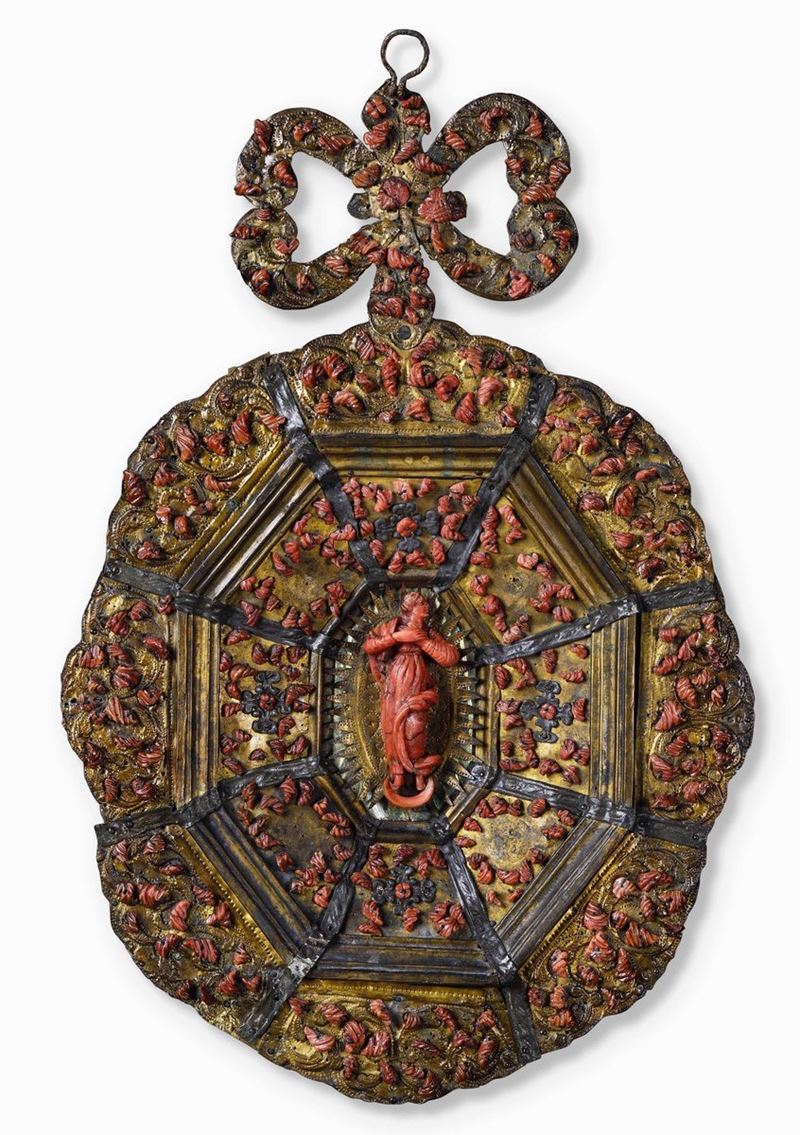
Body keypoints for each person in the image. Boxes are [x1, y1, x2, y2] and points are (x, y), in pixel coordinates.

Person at [363, 592, 460, 808]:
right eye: (422, 607)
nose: (426, 611)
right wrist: (397, 637)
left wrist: (422, 641)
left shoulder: (427, 633)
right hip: (395, 685)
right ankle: (397, 771)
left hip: (418, 686)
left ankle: (418, 771)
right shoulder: (393, 626)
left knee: (415, 726)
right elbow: (369, 645)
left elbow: (450, 657)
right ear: (411, 609)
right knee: (391, 725)